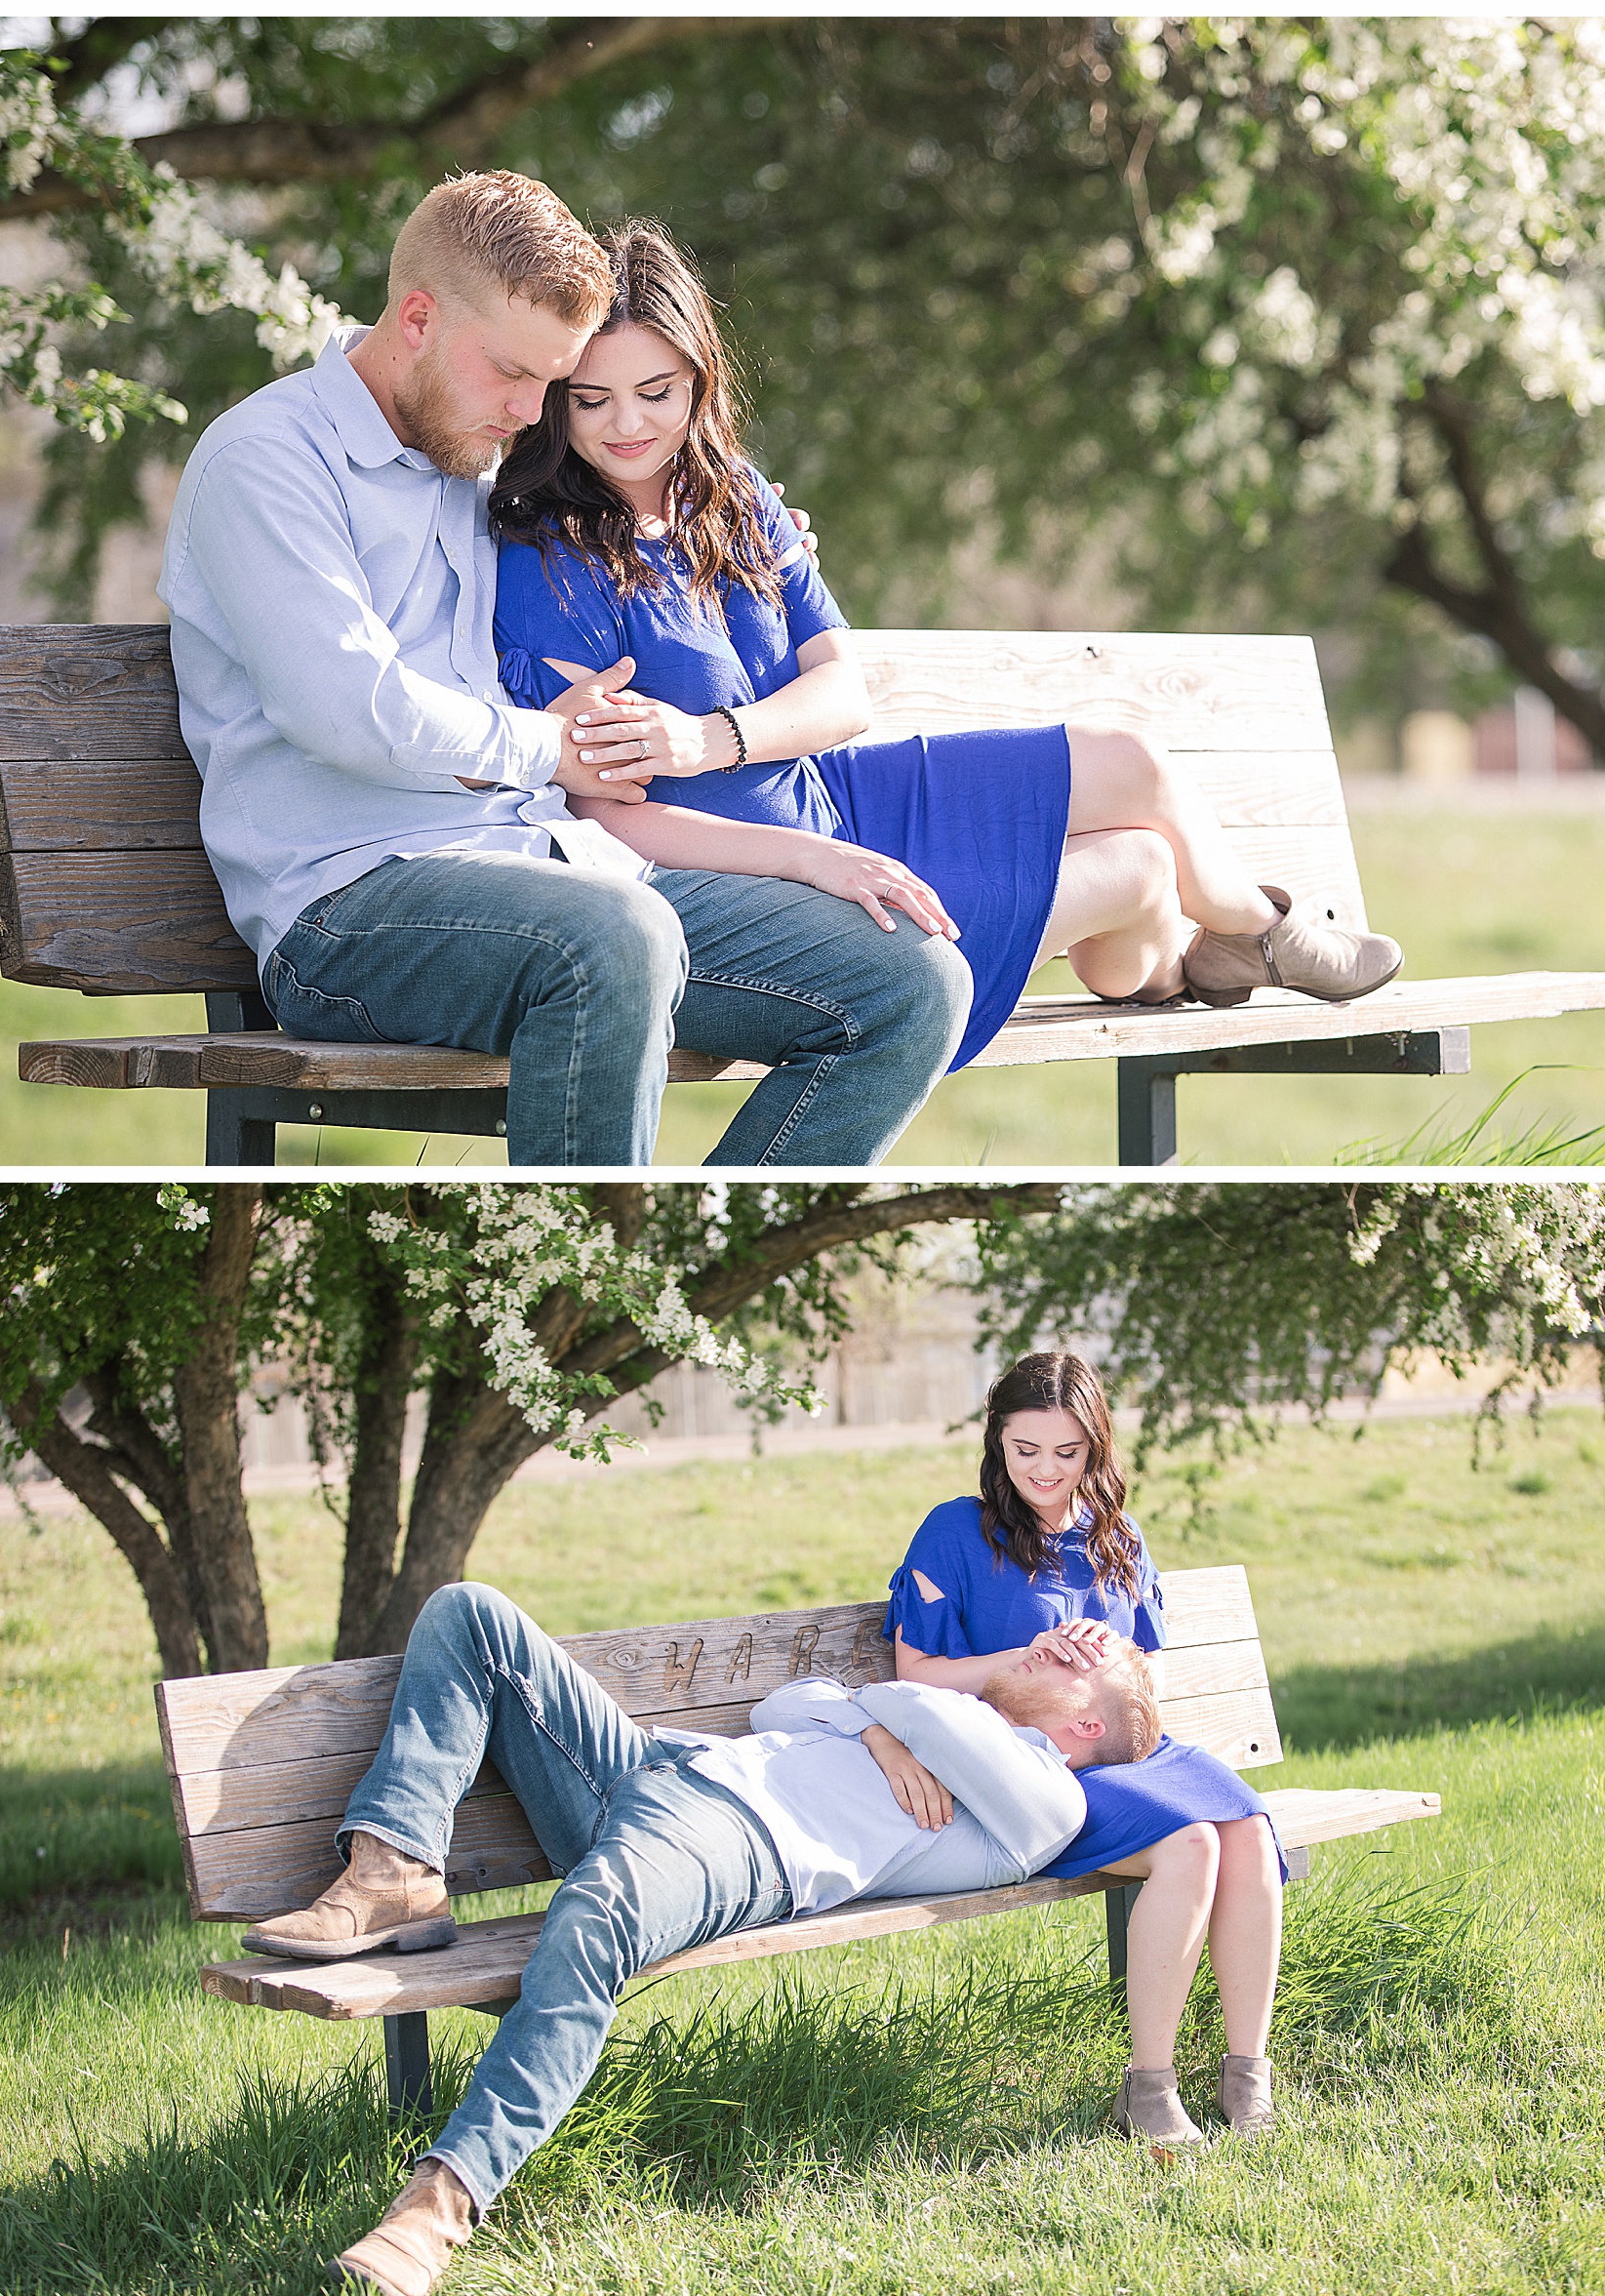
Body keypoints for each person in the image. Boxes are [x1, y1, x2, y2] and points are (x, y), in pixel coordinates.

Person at [157, 172, 970, 1166]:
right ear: (416, 318)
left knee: (912, 983)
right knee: (613, 937)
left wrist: (747, 527)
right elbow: (348, 711)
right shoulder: (268, 461)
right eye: (513, 374)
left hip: (550, 869)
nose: (530, 410)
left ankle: (661, 1274)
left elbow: (639, 510)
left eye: (550, 383)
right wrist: (556, 746)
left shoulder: (476, 455)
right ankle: (582, 1280)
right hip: (349, 913)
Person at [491, 220, 1403, 1071]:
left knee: (1133, 763)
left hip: (835, 797)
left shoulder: (738, 501)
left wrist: (711, 738)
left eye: (656, 392)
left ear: (700, 380)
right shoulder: (553, 560)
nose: (627, 425)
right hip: (776, 878)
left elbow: (844, 693)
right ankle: (1220, 951)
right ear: (555, 401)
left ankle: (1245, 938)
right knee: (1146, 865)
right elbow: (602, 815)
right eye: (592, 400)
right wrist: (809, 856)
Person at [245, 1580, 1161, 2296]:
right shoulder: (932, 1725)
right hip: (662, 1766)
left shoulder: (1046, 1796)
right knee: (469, 1611)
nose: (1060, 1638)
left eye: (1085, 1656)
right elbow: (784, 1703)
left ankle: (438, 2205)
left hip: (737, 1842)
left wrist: (905, 1704)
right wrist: (877, 1732)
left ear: (1086, 1730)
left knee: (591, 1928)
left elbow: (901, 1707)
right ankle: (395, 1869)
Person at [881, 1350, 1286, 2150]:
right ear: (997, 1439)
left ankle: (1247, 2072)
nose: (1044, 1468)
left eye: (1066, 1452)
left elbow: (1150, 1666)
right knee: (1193, 1839)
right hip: (1035, 1761)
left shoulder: (1116, 1535)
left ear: (1094, 1446)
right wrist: (1024, 1653)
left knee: (1248, 1828)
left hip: (1135, 1749)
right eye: (1025, 1449)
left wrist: (1113, 1656)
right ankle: (1151, 2084)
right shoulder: (957, 1531)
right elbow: (915, 1672)